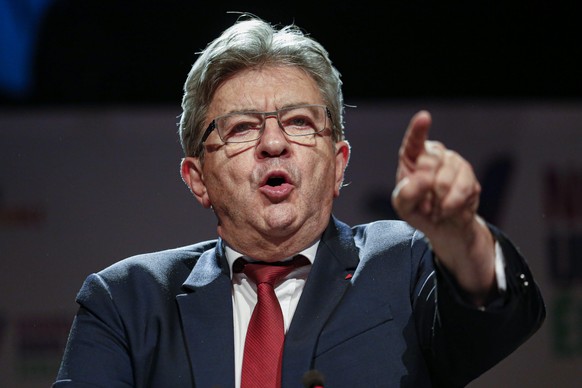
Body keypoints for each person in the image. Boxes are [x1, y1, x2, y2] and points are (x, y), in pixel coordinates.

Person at [53, 14, 545, 388]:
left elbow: (493, 323)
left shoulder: (406, 264)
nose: (273, 143)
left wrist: (461, 235)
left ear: (338, 164)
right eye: (242, 127)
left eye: (300, 122)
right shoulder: (125, 302)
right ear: (196, 177)